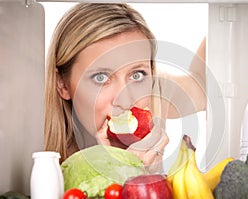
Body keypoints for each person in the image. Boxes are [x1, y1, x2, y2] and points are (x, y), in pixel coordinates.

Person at [44, 3, 206, 173]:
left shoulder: (155, 92)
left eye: (137, 75)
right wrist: (128, 173)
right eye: (101, 78)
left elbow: (203, 83)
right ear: (62, 84)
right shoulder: (34, 149)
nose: (126, 100)